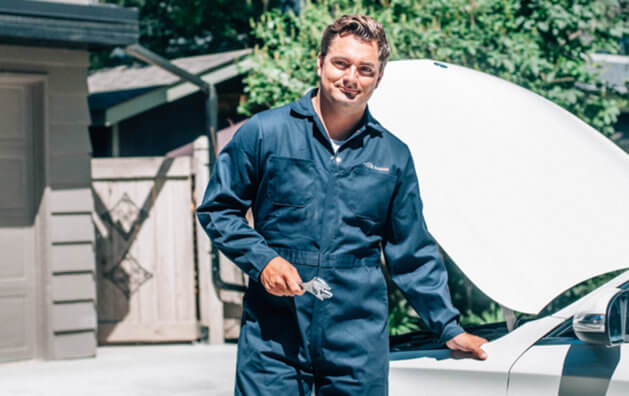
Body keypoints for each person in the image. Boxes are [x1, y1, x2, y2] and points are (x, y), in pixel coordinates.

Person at [196, 14, 487, 396]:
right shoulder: (266, 133)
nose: (351, 78)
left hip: (356, 340)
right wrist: (263, 259)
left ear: (378, 79)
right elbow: (218, 209)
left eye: (365, 69)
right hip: (274, 338)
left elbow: (411, 251)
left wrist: (448, 327)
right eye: (341, 64)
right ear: (320, 63)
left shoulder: (392, 157)